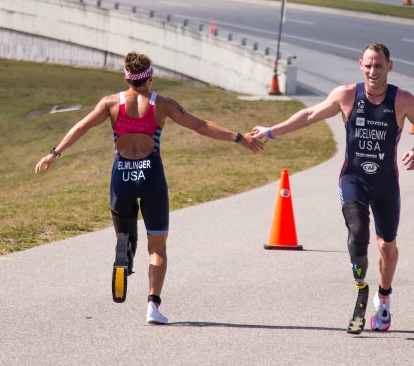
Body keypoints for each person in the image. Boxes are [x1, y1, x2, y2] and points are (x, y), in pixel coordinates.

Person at [35, 51, 263, 325]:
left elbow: (82, 126)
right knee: (157, 247)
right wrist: (238, 138)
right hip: (151, 176)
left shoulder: (110, 103)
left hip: (121, 176)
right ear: (150, 78)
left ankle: (124, 253)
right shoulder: (163, 104)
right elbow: (200, 126)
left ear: (126, 79)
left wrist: (54, 153)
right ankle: (153, 305)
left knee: (125, 234)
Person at [250, 43, 414, 334]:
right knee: (358, 233)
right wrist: (271, 131)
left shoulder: (403, 100)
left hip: (386, 184)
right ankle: (361, 287)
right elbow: (310, 115)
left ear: (389, 66)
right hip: (353, 179)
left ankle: (384, 297)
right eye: (368, 65)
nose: (373, 72)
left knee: (387, 245)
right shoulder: (346, 95)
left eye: (379, 66)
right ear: (360, 65)